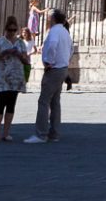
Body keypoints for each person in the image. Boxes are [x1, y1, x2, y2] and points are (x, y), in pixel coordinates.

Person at [26, 9, 72, 143]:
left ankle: (41, 134)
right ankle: (54, 133)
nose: (46, 19)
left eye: (48, 17)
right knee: (55, 102)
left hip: (54, 69)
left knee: (44, 101)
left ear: (53, 19)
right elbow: (71, 49)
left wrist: (48, 62)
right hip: (62, 68)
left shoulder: (54, 31)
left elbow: (52, 46)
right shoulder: (64, 31)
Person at [0, 16, 31, 142]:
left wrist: (18, 54)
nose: (12, 32)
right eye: (9, 30)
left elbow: (26, 61)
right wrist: (4, 53)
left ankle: (6, 133)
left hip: (16, 77)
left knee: (11, 105)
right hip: (2, 77)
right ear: (5, 29)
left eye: (14, 30)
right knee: (0, 104)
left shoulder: (20, 43)